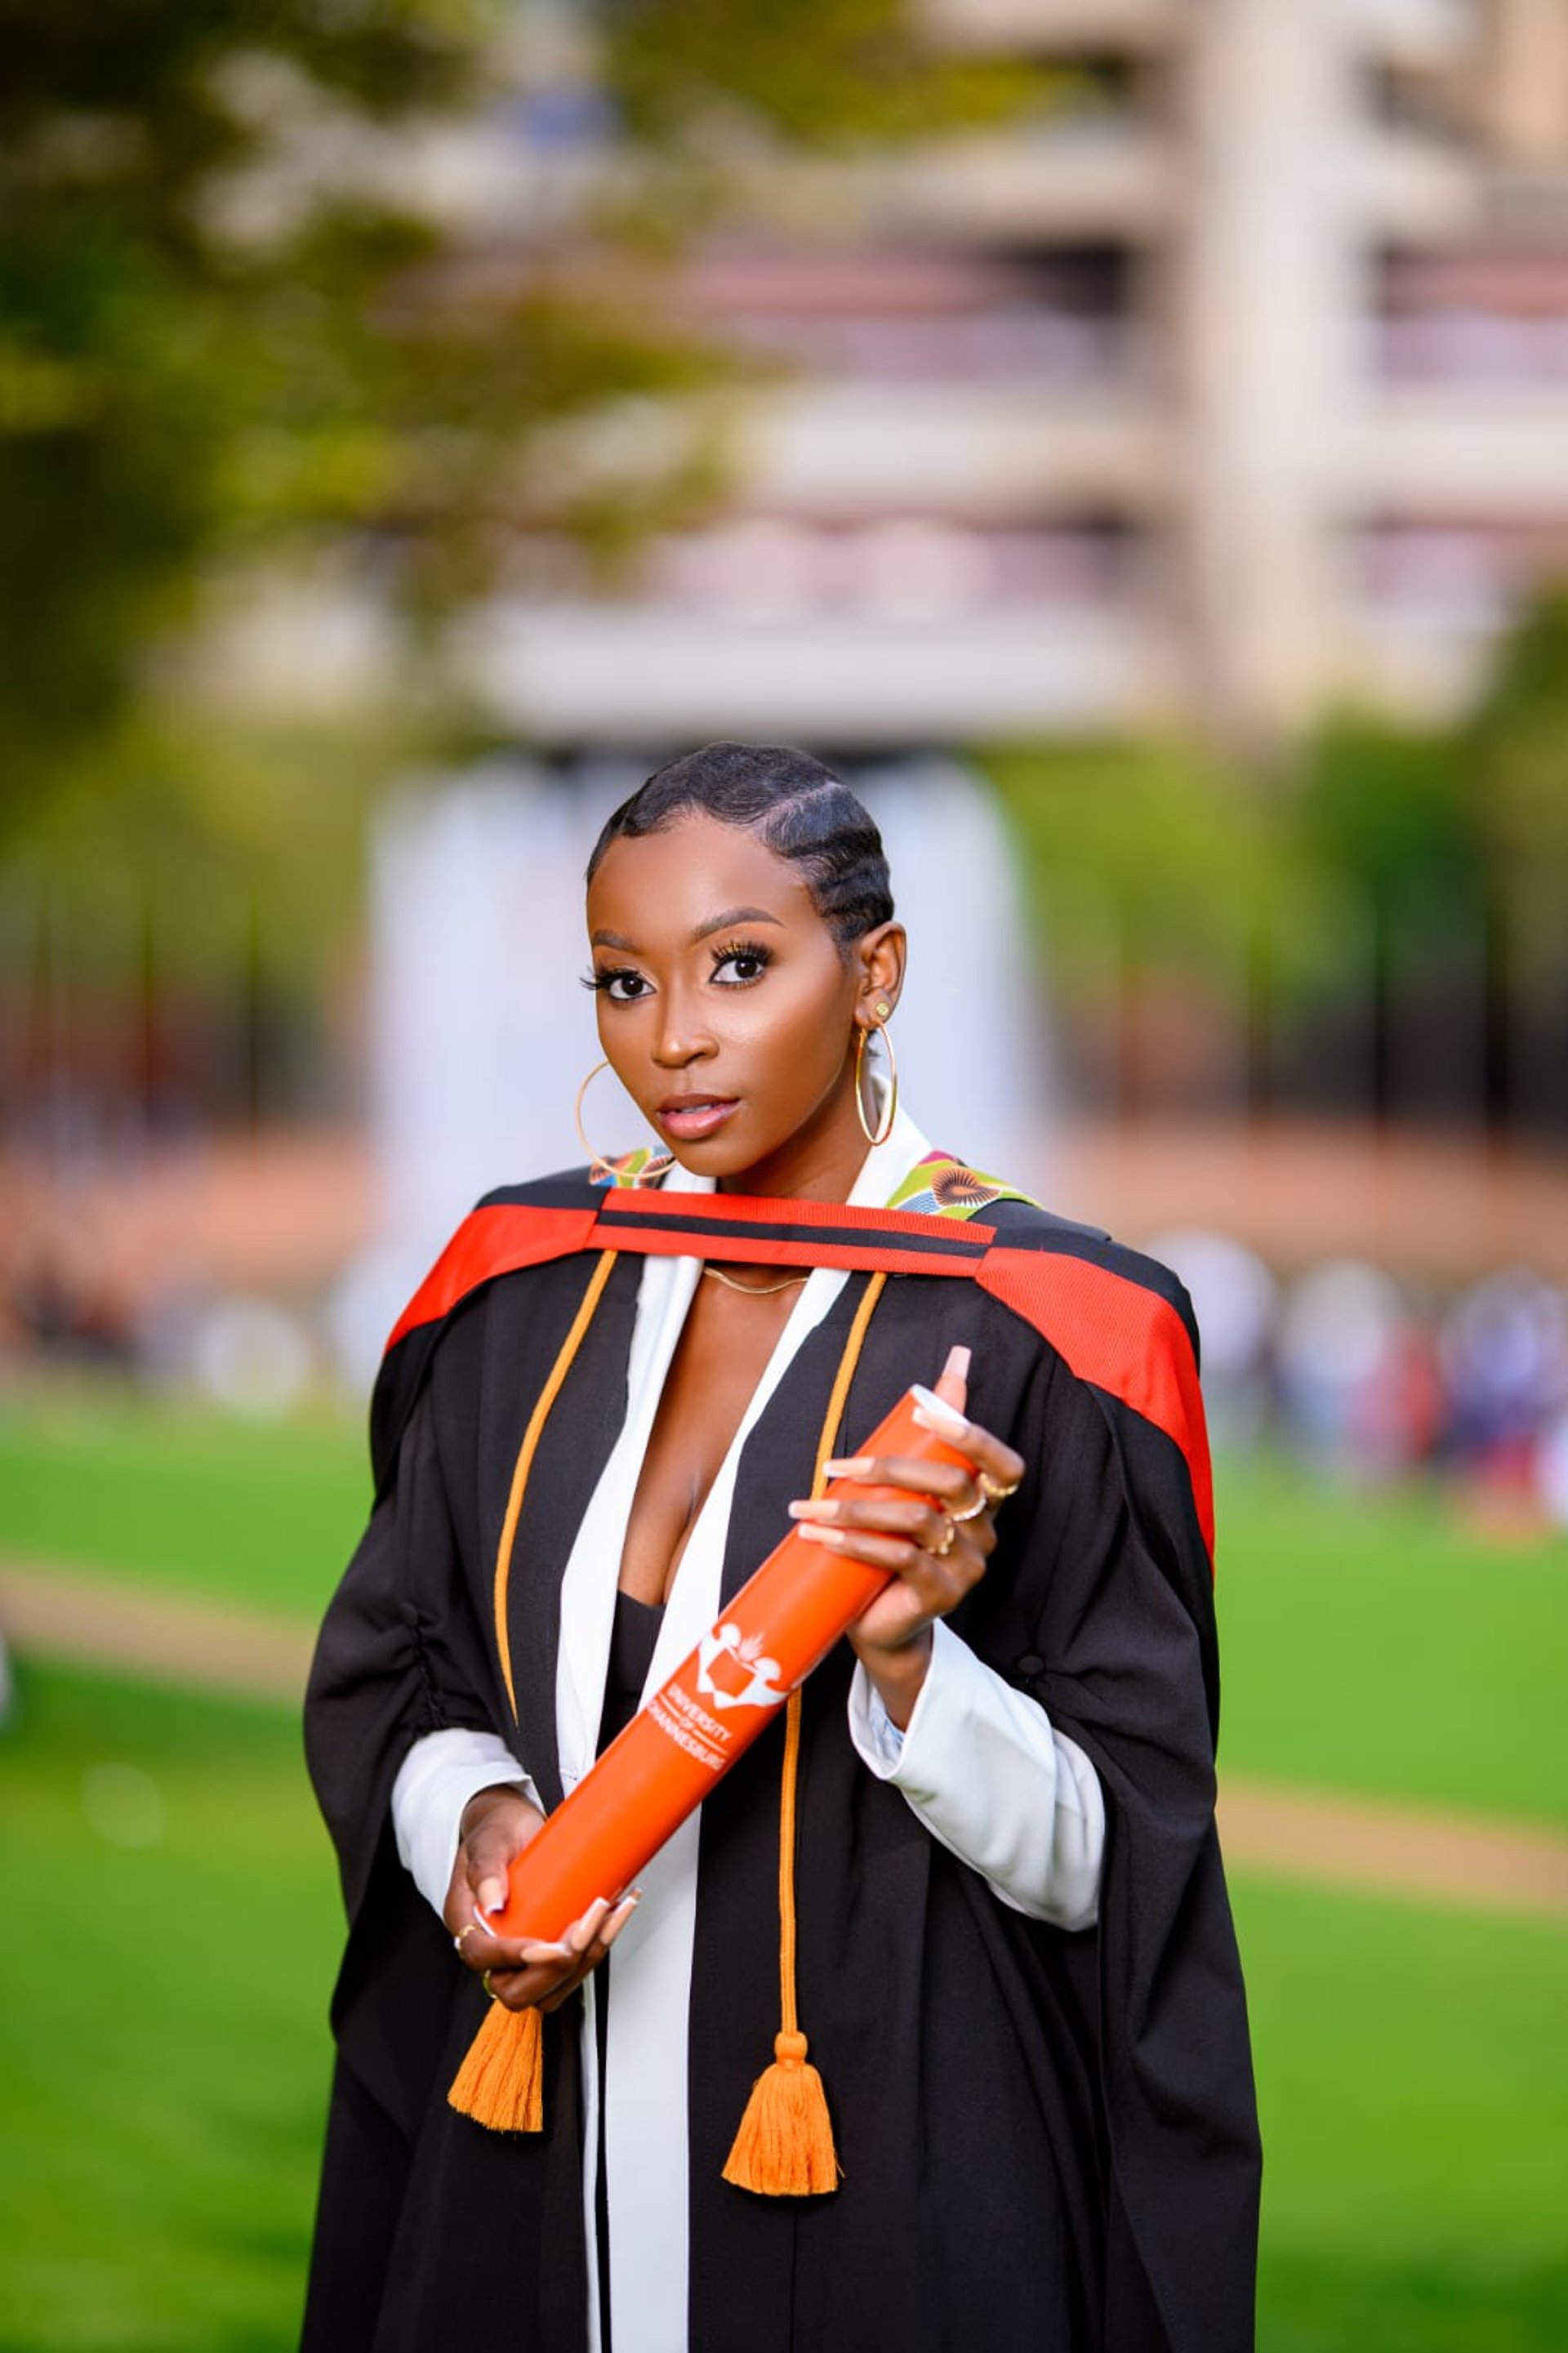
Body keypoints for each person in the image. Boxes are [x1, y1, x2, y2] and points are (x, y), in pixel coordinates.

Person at [303, 742, 1259, 2353]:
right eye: (622, 980)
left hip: (894, 2173)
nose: (672, 1038)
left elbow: (1121, 1860)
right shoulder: (513, 1288)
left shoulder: (1061, 1332)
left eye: (740, 966)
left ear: (875, 972)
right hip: (534, 2165)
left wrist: (910, 1658)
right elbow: (406, 1668)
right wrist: (473, 1821)